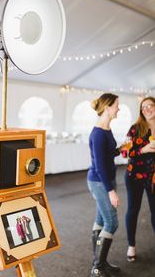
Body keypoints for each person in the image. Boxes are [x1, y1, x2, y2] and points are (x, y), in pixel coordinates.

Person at [87, 93, 121, 277]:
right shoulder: (99, 133)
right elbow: (99, 166)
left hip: (104, 179)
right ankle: (98, 266)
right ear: (107, 107)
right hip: (100, 182)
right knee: (112, 222)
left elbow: (107, 155)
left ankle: (99, 262)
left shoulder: (106, 129)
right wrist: (111, 192)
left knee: (101, 221)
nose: (118, 108)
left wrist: (120, 149)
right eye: (116, 105)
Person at [124, 96, 155, 262]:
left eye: (150, 105)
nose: (147, 109)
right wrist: (143, 149)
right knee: (133, 210)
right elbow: (126, 153)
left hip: (153, 178)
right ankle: (131, 245)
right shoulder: (135, 129)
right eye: (144, 107)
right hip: (134, 175)